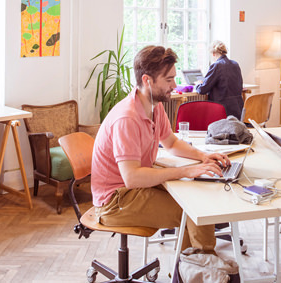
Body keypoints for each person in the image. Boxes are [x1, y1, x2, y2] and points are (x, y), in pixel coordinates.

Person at [91, 45, 230, 253]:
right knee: (193, 210)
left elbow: (171, 143)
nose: (174, 84)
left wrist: (203, 156)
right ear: (147, 80)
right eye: (168, 79)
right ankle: (201, 269)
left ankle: (190, 269)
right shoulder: (127, 118)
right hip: (115, 201)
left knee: (194, 198)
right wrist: (185, 171)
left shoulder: (155, 106)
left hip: (133, 188)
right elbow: (132, 178)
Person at [195, 41, 244, 119]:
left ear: (213, 54)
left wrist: (198, 84)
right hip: (237, 110)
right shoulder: (235, 64)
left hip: (221, 110)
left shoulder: (217, 66)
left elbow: (202, 90)